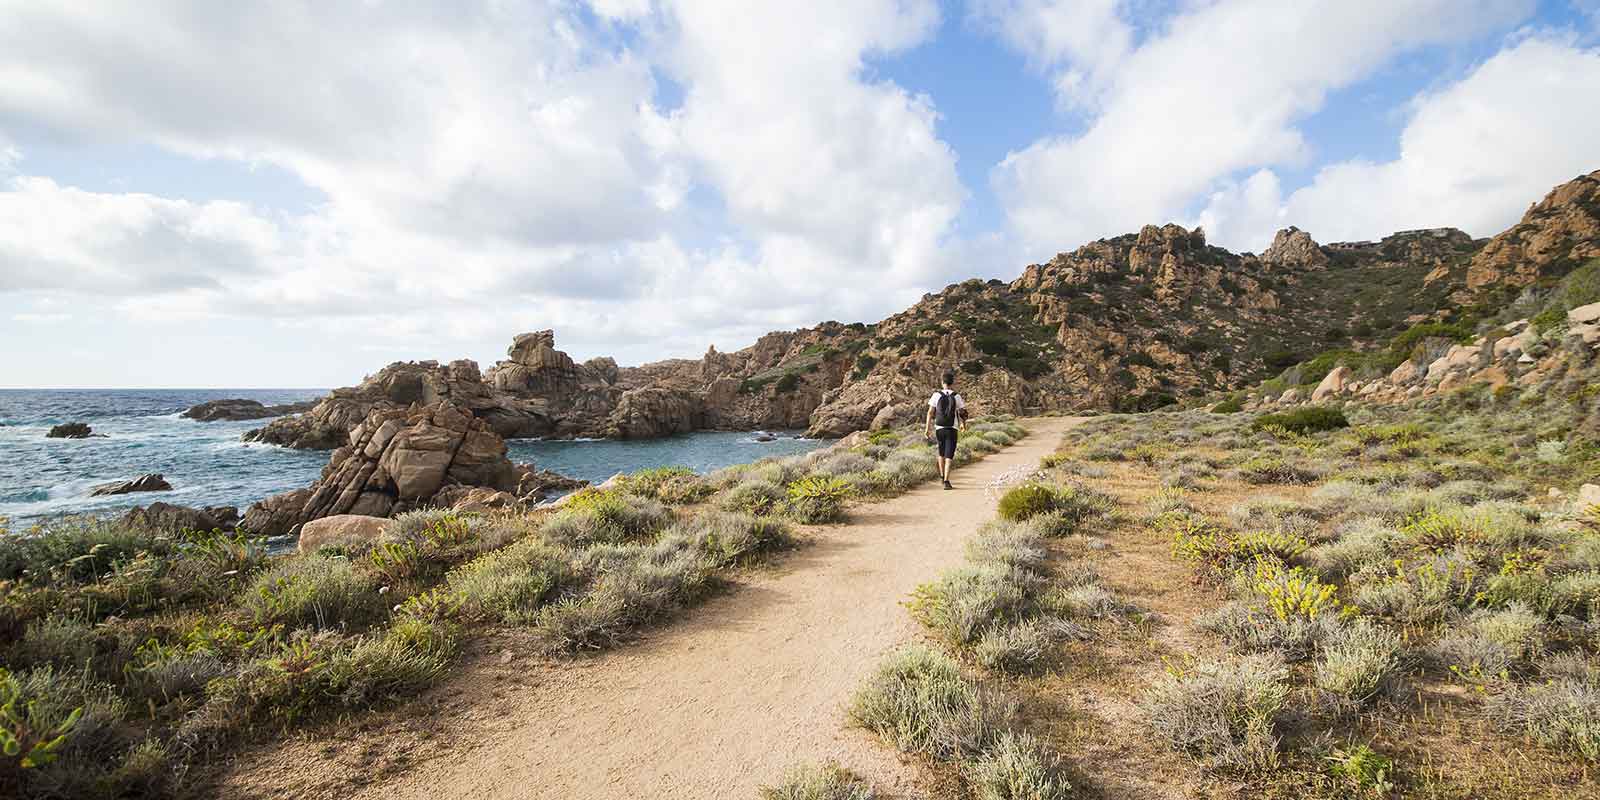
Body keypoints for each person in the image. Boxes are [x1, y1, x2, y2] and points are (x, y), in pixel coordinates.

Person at [924, 370, 966, 490]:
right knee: (949, 455)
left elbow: (930, 412)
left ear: (942, 382)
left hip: (939, 428)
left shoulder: (936, 395)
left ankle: (942, 477)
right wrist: (963, 425)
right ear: (952, 383)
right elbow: (963, 412)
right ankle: (947, 481)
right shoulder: (956, 396)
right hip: (952, 429)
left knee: (941, 453)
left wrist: (927, 428)